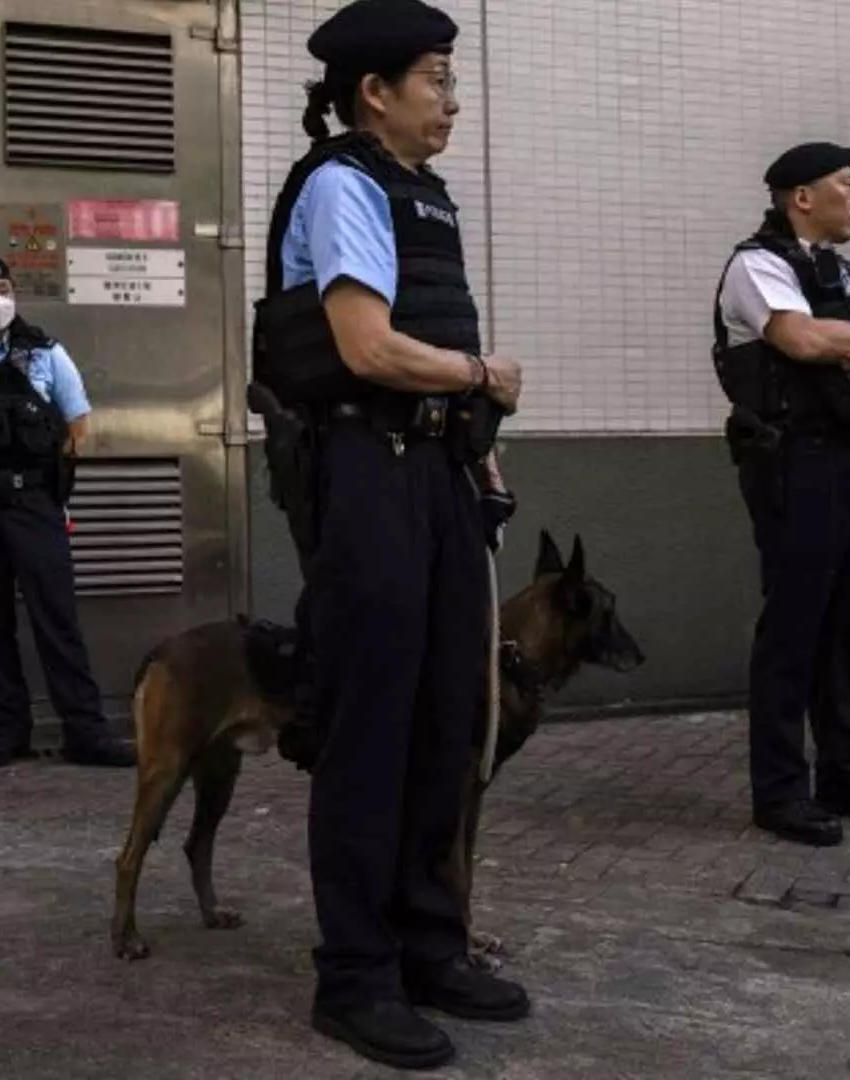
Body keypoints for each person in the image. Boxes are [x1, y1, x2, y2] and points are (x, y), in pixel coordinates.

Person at [250, 0, 525, 1068]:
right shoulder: (343, 184)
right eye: (436, 80)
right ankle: (357, 975)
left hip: (439, 468)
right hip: (368, 472)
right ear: (375, 93)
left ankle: (429, 946)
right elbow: (366, 348)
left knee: (447, 717)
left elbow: (427, 336)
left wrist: (475, 441)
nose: (452, 101)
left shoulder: (423, 195)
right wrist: (480, 374)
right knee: (373, 726)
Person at [712, 142, 850, 848]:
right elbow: (801, 339)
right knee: (795, 625)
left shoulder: (844, 274)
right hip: (796, 460)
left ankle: (847, 773)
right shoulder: (759, 265)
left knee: (846, 623)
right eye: (847, 185)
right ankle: (780, 789)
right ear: (802, 197)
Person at [0, 255, 135, 769]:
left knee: (56, 618)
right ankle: (7, 731)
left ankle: (86, 731)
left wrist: (42, 473)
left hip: (32, 502)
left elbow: (77, 424)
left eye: (3, 288)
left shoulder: (45, 353)